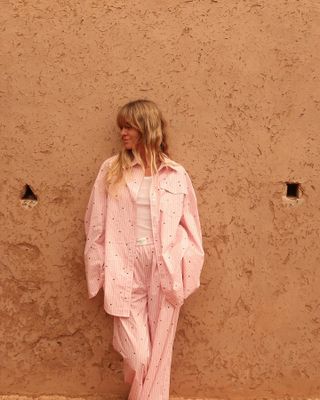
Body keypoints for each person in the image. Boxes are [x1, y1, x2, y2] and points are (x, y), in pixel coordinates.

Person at [83, 99, 205, 400]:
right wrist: (96, 267)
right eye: (120, 127)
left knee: (161, 354)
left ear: (147, 128)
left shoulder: (176, 174)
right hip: (123, 264)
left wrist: (185, 263)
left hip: (164, 267)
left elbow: (192, 228)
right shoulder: (111, 170)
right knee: (138, 354)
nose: (122, 133)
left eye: (129, 127)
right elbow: (95, 223)